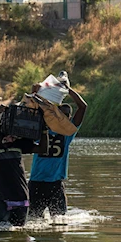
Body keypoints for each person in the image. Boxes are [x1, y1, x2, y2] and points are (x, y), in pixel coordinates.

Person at [0, 105, 48, 226]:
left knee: (20, 234)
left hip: (21, 194)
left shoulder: (17, 142)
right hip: (2, 196)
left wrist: (44, 129)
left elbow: (43, 149)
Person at [29, 82, 87, 218]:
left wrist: (69, 90)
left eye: (66, 116)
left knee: (60, 222)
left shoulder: (68, 133)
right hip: (36, 182)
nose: (63, 118)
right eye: (60, 114)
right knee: (32, 221)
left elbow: (83, 107)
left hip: (55, 184)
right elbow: (32, 112)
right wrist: (34, 93)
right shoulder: (41, 129)